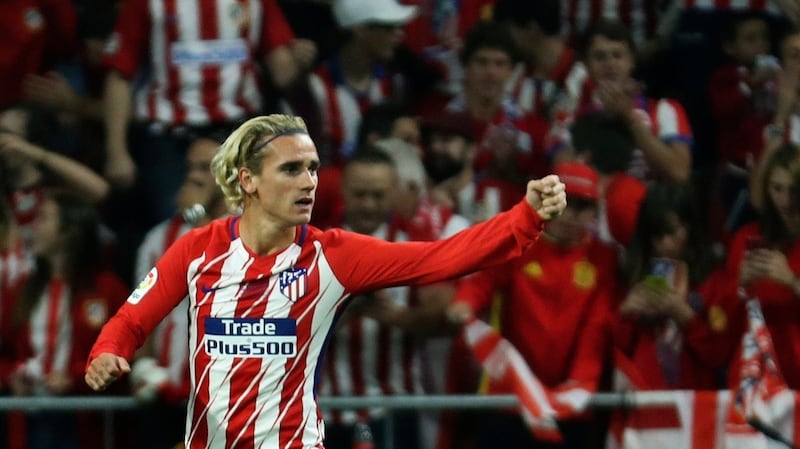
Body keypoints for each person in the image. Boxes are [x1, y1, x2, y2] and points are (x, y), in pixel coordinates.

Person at [84, 113, 566, 449]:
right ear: (248, 180)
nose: (309, 182)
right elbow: (132, 317)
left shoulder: (333, 256)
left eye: (313, 168)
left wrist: (524, 218)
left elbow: (441, 257)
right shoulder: (197, 249)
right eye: (291, 169)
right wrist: (108, 351)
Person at [444, 161, 618, 449]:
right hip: (509, 397)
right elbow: (482, 281)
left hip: (571, 401)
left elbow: (597, 326)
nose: (570, 214)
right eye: (564, 202)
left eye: (582, 206)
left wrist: (579, 382)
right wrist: (464, 304)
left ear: (594, 212)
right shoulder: (518, 242)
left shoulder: (603, 258)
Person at [128, 133, 228, 449]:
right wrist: (144, 369)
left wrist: (198, 220)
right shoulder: (159, 240)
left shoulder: (260, 236)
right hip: (169, 402)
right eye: (190, 168)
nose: (195, 176)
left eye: (206, 168)